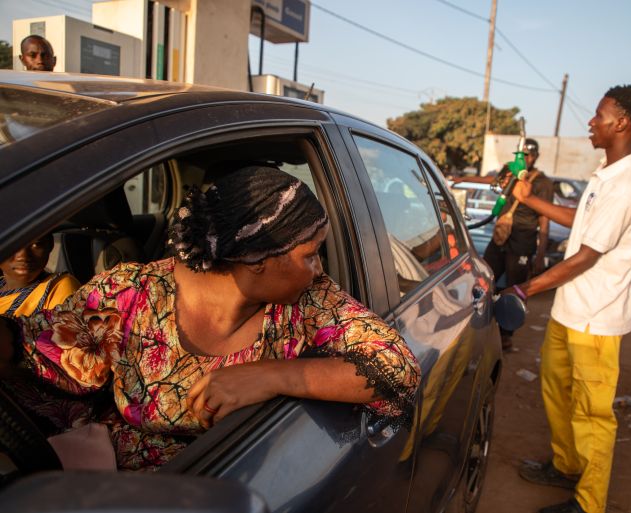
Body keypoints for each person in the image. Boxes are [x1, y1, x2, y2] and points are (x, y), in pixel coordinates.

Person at [0, 165, 421, 471]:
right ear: (257, 259)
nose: (319, 268)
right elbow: (33, 351)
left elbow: (398, 369)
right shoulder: (130, 293)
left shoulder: (311, 302)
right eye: (310, 254)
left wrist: (272, 376)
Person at [506, 85, 631, 513]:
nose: (590, 122)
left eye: (598, 116)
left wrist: (523, 288)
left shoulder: (626, 186)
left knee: (592, 414)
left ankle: (589, 503)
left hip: (597, 320)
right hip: (570, 311)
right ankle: (566, 465)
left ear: (621, 123)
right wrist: (530, 199)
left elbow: (587, 256)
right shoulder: (605, 174)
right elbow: (581, 220)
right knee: (555, 389)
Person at [483, 138, 553, 351]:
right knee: (484, 279)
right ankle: (483, 324)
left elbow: (544, 219)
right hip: (500, 239)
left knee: (516, 288)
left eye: (529, 155)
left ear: (536, 157)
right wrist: (460, 179)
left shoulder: (543, 183)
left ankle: (506, 335)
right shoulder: (510, 172)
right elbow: (491, 181)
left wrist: (540, 254)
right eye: (522, 155)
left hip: (523, 242)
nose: (526, 159)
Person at [0, 234, 80, 316]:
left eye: (36, 244)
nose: (23, 256)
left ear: (50, 245)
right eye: (12, 245)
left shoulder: (58, 286)